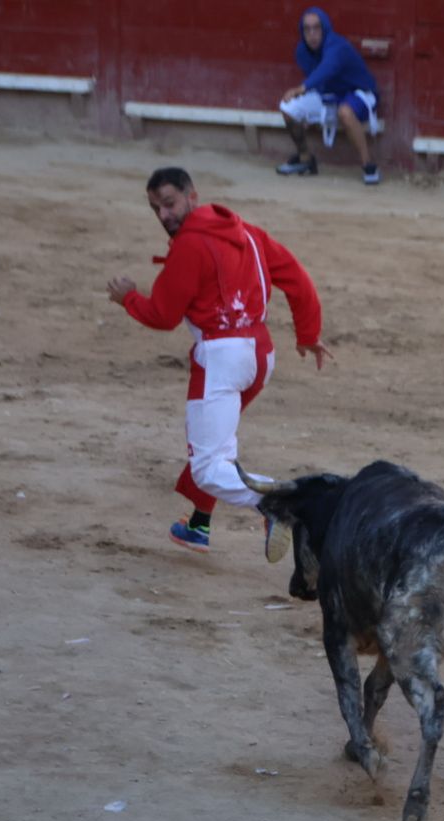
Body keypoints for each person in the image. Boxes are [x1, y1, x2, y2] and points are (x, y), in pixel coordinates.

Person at [107, 168, 333, 554]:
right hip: (260, 355)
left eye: (169, 203)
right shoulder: (246, 231)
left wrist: (127, 298)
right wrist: (308, 335)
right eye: (155, 209)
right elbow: (296, 276)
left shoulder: (189, 247)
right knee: (216, 445)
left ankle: (279, 502)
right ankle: (198, 524)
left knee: (209, 466)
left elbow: (163, 315)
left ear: (192, 197)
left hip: (221, 358)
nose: (163, 216)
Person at [278, 8, 382, 185]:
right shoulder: (302, 51)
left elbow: (328, 69)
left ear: (325, 28)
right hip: (329, 95)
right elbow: (319, 82)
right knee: (288, 108)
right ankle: (305, 160)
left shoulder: (337, 45)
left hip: (359, 92)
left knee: (345, 112)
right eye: (307, 29)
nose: (312, 34)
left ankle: (369, 164)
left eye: (316, 28)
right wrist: (308, 108)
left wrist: (301, 88)